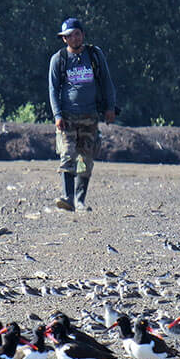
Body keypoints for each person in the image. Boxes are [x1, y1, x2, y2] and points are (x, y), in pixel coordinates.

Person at [48, 17, 116, 212]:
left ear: (82, 34)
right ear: (64, 39)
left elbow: (106, 82)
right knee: (67, 154)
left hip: (90, 116)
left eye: (76, 34)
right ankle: (67, 197)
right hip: (67, 116)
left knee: (86, 158)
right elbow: (53, 90)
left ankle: (80, 200)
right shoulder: (58, 59)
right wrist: (57, 115)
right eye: (69, 36)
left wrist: (110, 107)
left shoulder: (95, 55)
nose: (74, 38)